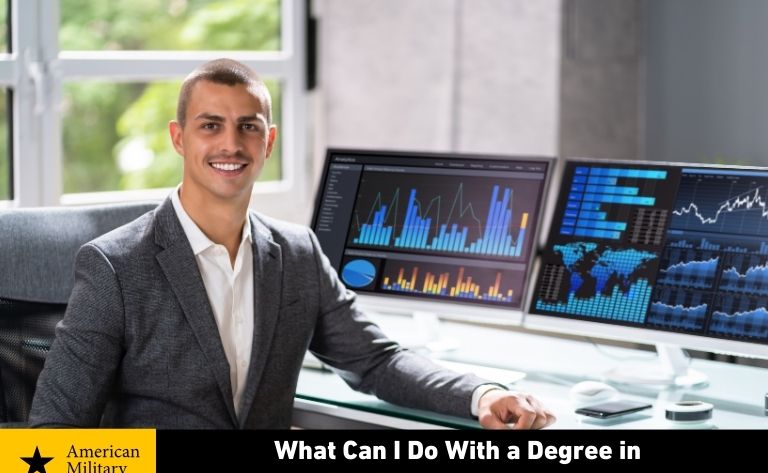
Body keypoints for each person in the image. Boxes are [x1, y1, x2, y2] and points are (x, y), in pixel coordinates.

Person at [29, 59, 555, 430]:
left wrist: (482, 394)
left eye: (248, 127)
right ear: (179, 137)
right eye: (210, 125)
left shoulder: (296, 252)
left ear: (269, 141)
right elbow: (49, 452)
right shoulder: (116, 267)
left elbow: (376, 361)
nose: (231, 144)